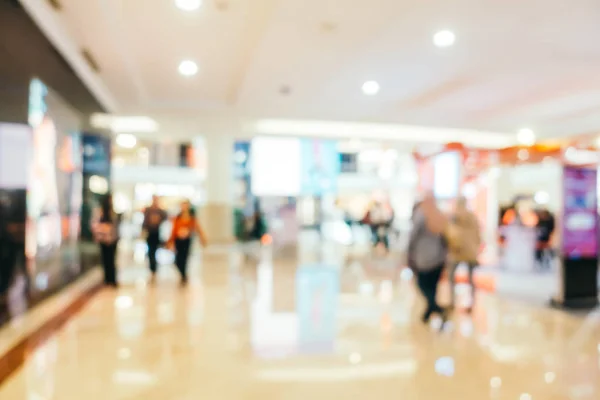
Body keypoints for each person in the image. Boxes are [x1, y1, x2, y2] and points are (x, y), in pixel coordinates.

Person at [407, 193, 449, 327]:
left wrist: (409, 254)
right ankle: (431, 310)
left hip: (424, 257)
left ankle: (435, 308)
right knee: (432, 287)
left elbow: (413, 237)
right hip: (439, 258)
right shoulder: (440, 215)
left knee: (422, 284)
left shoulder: (421, 215)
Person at [447, 197, 481, 312]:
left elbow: (450, 233)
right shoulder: (472, 217)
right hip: (470, 251)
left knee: (452, 277)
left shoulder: (454, 217)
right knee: (471, 279)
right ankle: (471, 302)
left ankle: (452, 301)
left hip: (458, 251)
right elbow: (478, 234)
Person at [167, 200, 207, 285]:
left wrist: (203, 239)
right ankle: (183, 274)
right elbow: (173, 230)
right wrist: (170, 241)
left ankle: (184, 276)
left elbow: (198, 229)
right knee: (177, 260)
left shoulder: (192, 218)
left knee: (185, 258)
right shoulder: (177, 218)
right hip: (178, 241)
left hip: (187, 241)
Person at [92, 194, 120, 287]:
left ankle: (112, 279)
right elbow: (94, 224)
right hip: (103, 240)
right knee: (105, 260)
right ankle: (107, 279)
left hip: (112, 240)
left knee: (111, 260)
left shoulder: (112, 212)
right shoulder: (99, 211)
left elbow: (115, 227)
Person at [142, 195, 168, 281]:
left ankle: (155, 268)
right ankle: (152, 269)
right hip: (150, 233)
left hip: (157, 234)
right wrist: (143, 231)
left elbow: (165, 218)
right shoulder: (148, 210)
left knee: (155, 252)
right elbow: (145, 222)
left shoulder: (160, 211)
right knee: (150, 252)